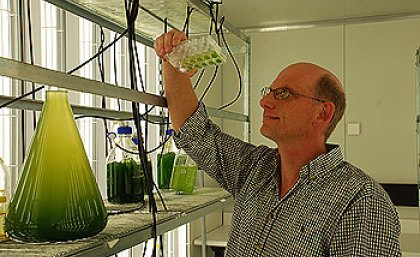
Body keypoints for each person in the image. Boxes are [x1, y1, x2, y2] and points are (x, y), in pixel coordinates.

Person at [154, 29, 402, 256]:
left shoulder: (361, 200)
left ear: (322, 114)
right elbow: (195, 132)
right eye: (269, 92)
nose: (265, 102)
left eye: (283, 94)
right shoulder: (255, 169)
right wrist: (172, 61)